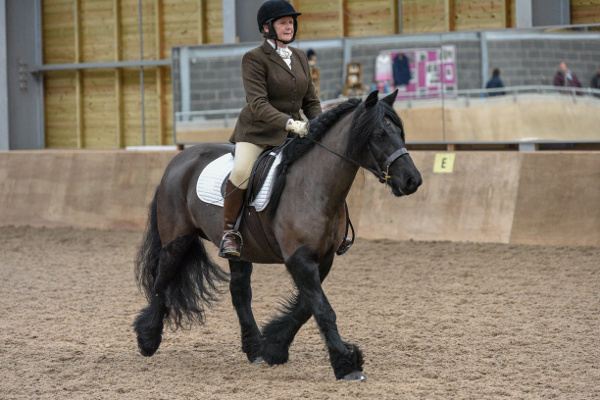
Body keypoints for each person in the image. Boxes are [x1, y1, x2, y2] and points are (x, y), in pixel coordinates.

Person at [219, 0, 322, 260]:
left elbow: (310, 100)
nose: (289, 27)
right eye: (283, 23)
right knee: (242, 170)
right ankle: (229, 232)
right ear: (267, 28)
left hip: (294, 129)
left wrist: (321, 126)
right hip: (258, 131)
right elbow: (258, 104)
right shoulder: (253, 58)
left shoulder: (299, 56)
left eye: (291, 22)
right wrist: (290, 123)